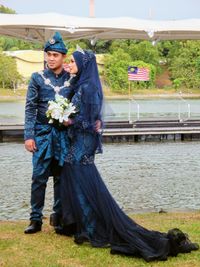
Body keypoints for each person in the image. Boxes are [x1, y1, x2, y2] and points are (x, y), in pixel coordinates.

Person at [59, 48, 199, 262]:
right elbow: (89, 118)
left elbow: (90, 122)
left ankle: (92, 228)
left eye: (73, 60)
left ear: (84, 64)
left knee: (84, 183)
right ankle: (84, 226)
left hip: (82, 143)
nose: (70, 63)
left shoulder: (89, 87)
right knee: (79, 184)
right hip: (78, 141)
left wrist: (68, 121)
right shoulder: (80, 84)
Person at [24, 32, 74, 234]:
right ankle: (35, 219)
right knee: (39, 177)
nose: (51, 58)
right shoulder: (37, 78)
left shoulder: (72, 78)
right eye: (48, 54)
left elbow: (77, 105)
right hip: (42, 134)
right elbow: (30, 107)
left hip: (64, 135)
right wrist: (29, 136)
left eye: (55, 55)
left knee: (62, 177)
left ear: (63, 57)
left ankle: (59, 217)